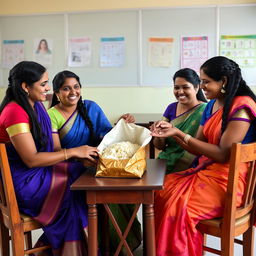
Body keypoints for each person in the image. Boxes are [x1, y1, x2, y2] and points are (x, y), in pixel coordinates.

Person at [150, 56, 256, 256]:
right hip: (208, 172)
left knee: (178, 210)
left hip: (230, 182)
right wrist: (172, 132)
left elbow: (224, 154)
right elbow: (198, 147)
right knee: (159, 193)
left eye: (206, 82)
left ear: (223, 81)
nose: (202, 86)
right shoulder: (211, 106)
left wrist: (180, 134)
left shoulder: (242, 105)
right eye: (201, 81)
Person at [0, 61, 99, 255]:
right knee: (75, 193)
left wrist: (81, 158)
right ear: (25, 87)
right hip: (25, 182)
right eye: (43, 84)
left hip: (37, 174)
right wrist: (73, 152)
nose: (48, 89)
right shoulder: (15, 112)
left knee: (84, 176)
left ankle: (79, 249)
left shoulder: (33, 105)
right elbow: (31, 160)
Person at [47, 70, 141, 255]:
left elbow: (107, 138)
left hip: (97, 165)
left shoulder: (91, 107)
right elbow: (56, 152)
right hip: (68, 169)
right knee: (84, 200)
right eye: (66, 88)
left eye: (76, 87)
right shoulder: (51, 115)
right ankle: (94, 248)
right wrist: (78, 157)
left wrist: (120, 125)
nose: (72, 92)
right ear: (57, 93)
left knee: (121, 191)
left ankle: (120, 245)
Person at [153, 68, 207, 174]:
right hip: (165, 161)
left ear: (196, 88)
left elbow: (202, 146)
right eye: (176, 87)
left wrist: (175, 133)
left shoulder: (205, 110)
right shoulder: (171, 107)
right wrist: (157, 134)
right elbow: (160, 146)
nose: (180, 92)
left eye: (185, 87)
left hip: (191, 164)